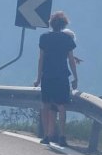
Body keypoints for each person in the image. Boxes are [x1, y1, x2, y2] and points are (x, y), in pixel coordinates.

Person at [33, 11, 78, 147]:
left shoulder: (44, 38)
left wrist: (38, 78)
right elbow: (71, 60)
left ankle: (47, 135)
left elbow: (41, 59)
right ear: (64, 25)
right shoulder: (67, 39)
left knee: (45, 105)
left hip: (47, 75)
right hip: (62, 76)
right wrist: (76, 77)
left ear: (51, 24)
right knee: (61, 105)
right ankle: (62, 136)